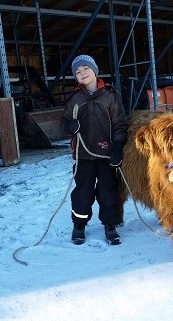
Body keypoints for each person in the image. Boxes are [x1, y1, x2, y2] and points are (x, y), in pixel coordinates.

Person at [61, 54, 127, 246]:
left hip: (106, 155)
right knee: (83, 192)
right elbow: (63, 122)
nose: (82, 74)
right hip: (83, 155)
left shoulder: (110, 96)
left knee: (108, 191)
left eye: (85, 69)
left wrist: (117, 148)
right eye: (78, 72)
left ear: (94, 70)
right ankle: (79, 226)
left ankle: (110, 225)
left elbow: (120, 124)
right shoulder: (75, 99)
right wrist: (69, 126)